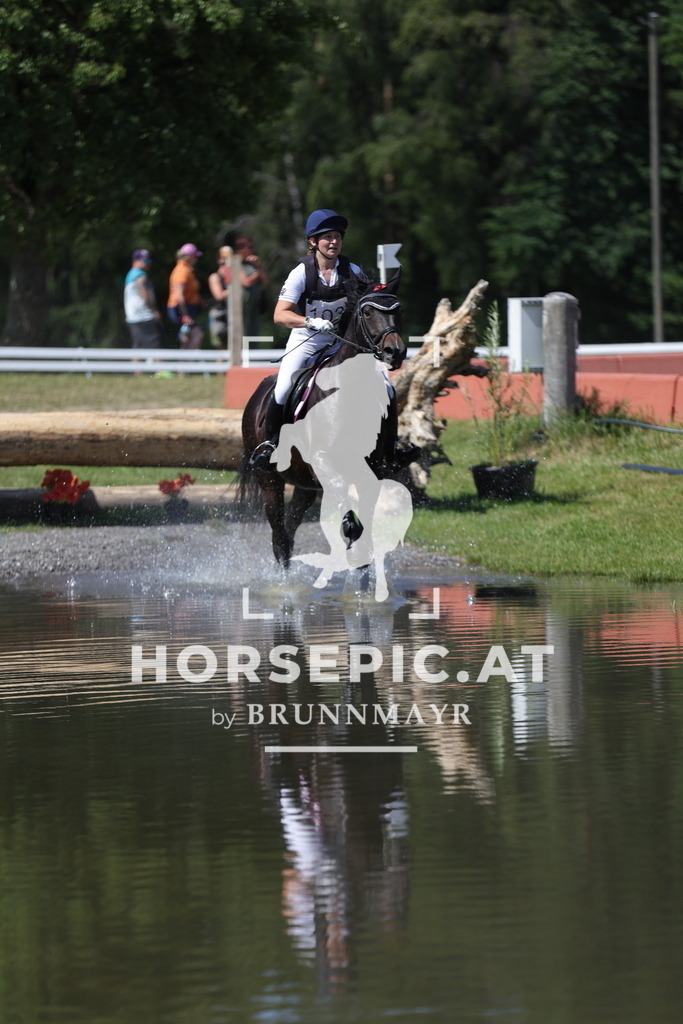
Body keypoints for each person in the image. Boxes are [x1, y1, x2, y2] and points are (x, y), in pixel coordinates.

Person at [250, 209, 364, 469]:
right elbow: (280, 315)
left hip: (341, 344)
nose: (334, 242)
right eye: (327, 237)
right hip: (307, 340)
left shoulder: (352, 271)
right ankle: (270, 444)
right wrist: (310, 321)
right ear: (313, 242)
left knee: (384, 385)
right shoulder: (301, 273)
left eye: (337, 236)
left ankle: (390, 445)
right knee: (283, 388)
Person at [123, 249, 165, 349]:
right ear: (135, 261)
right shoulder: (140, 275)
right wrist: (154, 310)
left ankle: (134, 365)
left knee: (138, 347)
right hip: (145, 316)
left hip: (132, 316)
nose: (148, 263)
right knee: (155, 347)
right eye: (144, 261)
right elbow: (143, 292)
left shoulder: (130, 274)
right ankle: (158, 365)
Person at [167, 243, 204, 349]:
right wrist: (185, 315)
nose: (196, 259)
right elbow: (179, 296)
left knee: (188, 338)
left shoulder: (187, 270)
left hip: (187, 308)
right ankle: (188, 363)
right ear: (191, 256)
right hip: (180, 309)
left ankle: (185, 363)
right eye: (195, 256)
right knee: (197, 334)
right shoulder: (181, 271)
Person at [234, 235, 269, 337]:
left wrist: (258, 266)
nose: (252, 249)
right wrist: (257, 274)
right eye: (249, 247)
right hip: (241, 306)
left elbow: (266, 282)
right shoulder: (235, 263)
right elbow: (246, 282)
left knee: (253, 332)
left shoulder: (253, 264)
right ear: (241, 249)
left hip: (254, 306)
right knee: (242, 331)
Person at [208, 246, 231, 348]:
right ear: (220, 260)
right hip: (219, 315)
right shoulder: (215, 277)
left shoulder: (234, 276)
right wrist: (236, 290)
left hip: (232, 315)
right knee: (221, 348)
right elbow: (219, 296)